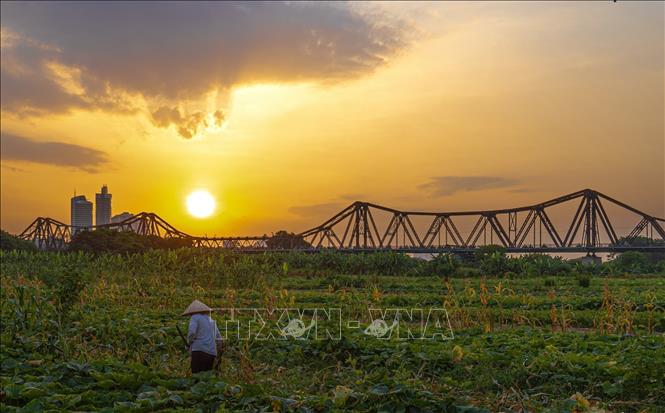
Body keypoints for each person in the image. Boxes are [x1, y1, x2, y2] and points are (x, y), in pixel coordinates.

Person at [181, 299, 222, 374]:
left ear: (192, 312)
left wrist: (188, 344)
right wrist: (219, 352)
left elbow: (192, 333)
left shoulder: (195, 317)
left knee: (197, 377)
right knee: (206, 379)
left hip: (199, 351)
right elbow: (219, 339)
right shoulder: (212, 321)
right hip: (211, 353)